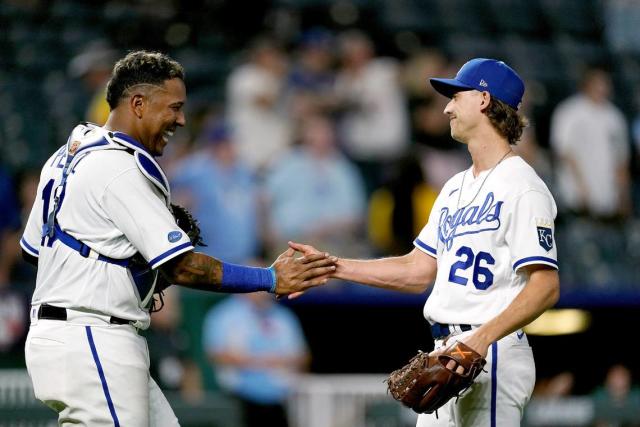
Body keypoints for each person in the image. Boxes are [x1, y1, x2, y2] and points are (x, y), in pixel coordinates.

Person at [19, 50, 335, 427]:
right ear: (138, 104)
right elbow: (182, 265)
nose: (181, 119)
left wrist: (130, 264)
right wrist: (269, 279)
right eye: (173, 107)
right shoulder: (119, 166)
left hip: (73, 334)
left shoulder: (66, 156)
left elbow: (34, 252)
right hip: (92, 335)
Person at [290, 58, 560, 426]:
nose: (447, 106)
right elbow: (417, 270)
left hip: (490, 353)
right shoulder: (453, 188)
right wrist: (334, 266)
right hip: (447, 351)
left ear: (483, 99)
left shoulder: (522, 186)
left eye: (455, 96)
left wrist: (478, 342)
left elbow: (545, 286)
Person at [203, 292, 309, 427]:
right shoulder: (223, 314)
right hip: (238, 399)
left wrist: (276, 361)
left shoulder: (284, 316)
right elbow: (215, 354)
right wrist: (257, 361)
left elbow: (302, 356)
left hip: (279, 400)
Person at [550, 66, 631, 221]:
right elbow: (563, 150)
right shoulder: (569, 111)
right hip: (575, 197)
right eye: (598, 83)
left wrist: (623, 196)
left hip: (608, 198)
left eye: (605, 84)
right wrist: (581, 188)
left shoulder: (615, 117)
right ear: (586, 84)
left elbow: (621, 159)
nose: (602, 88)